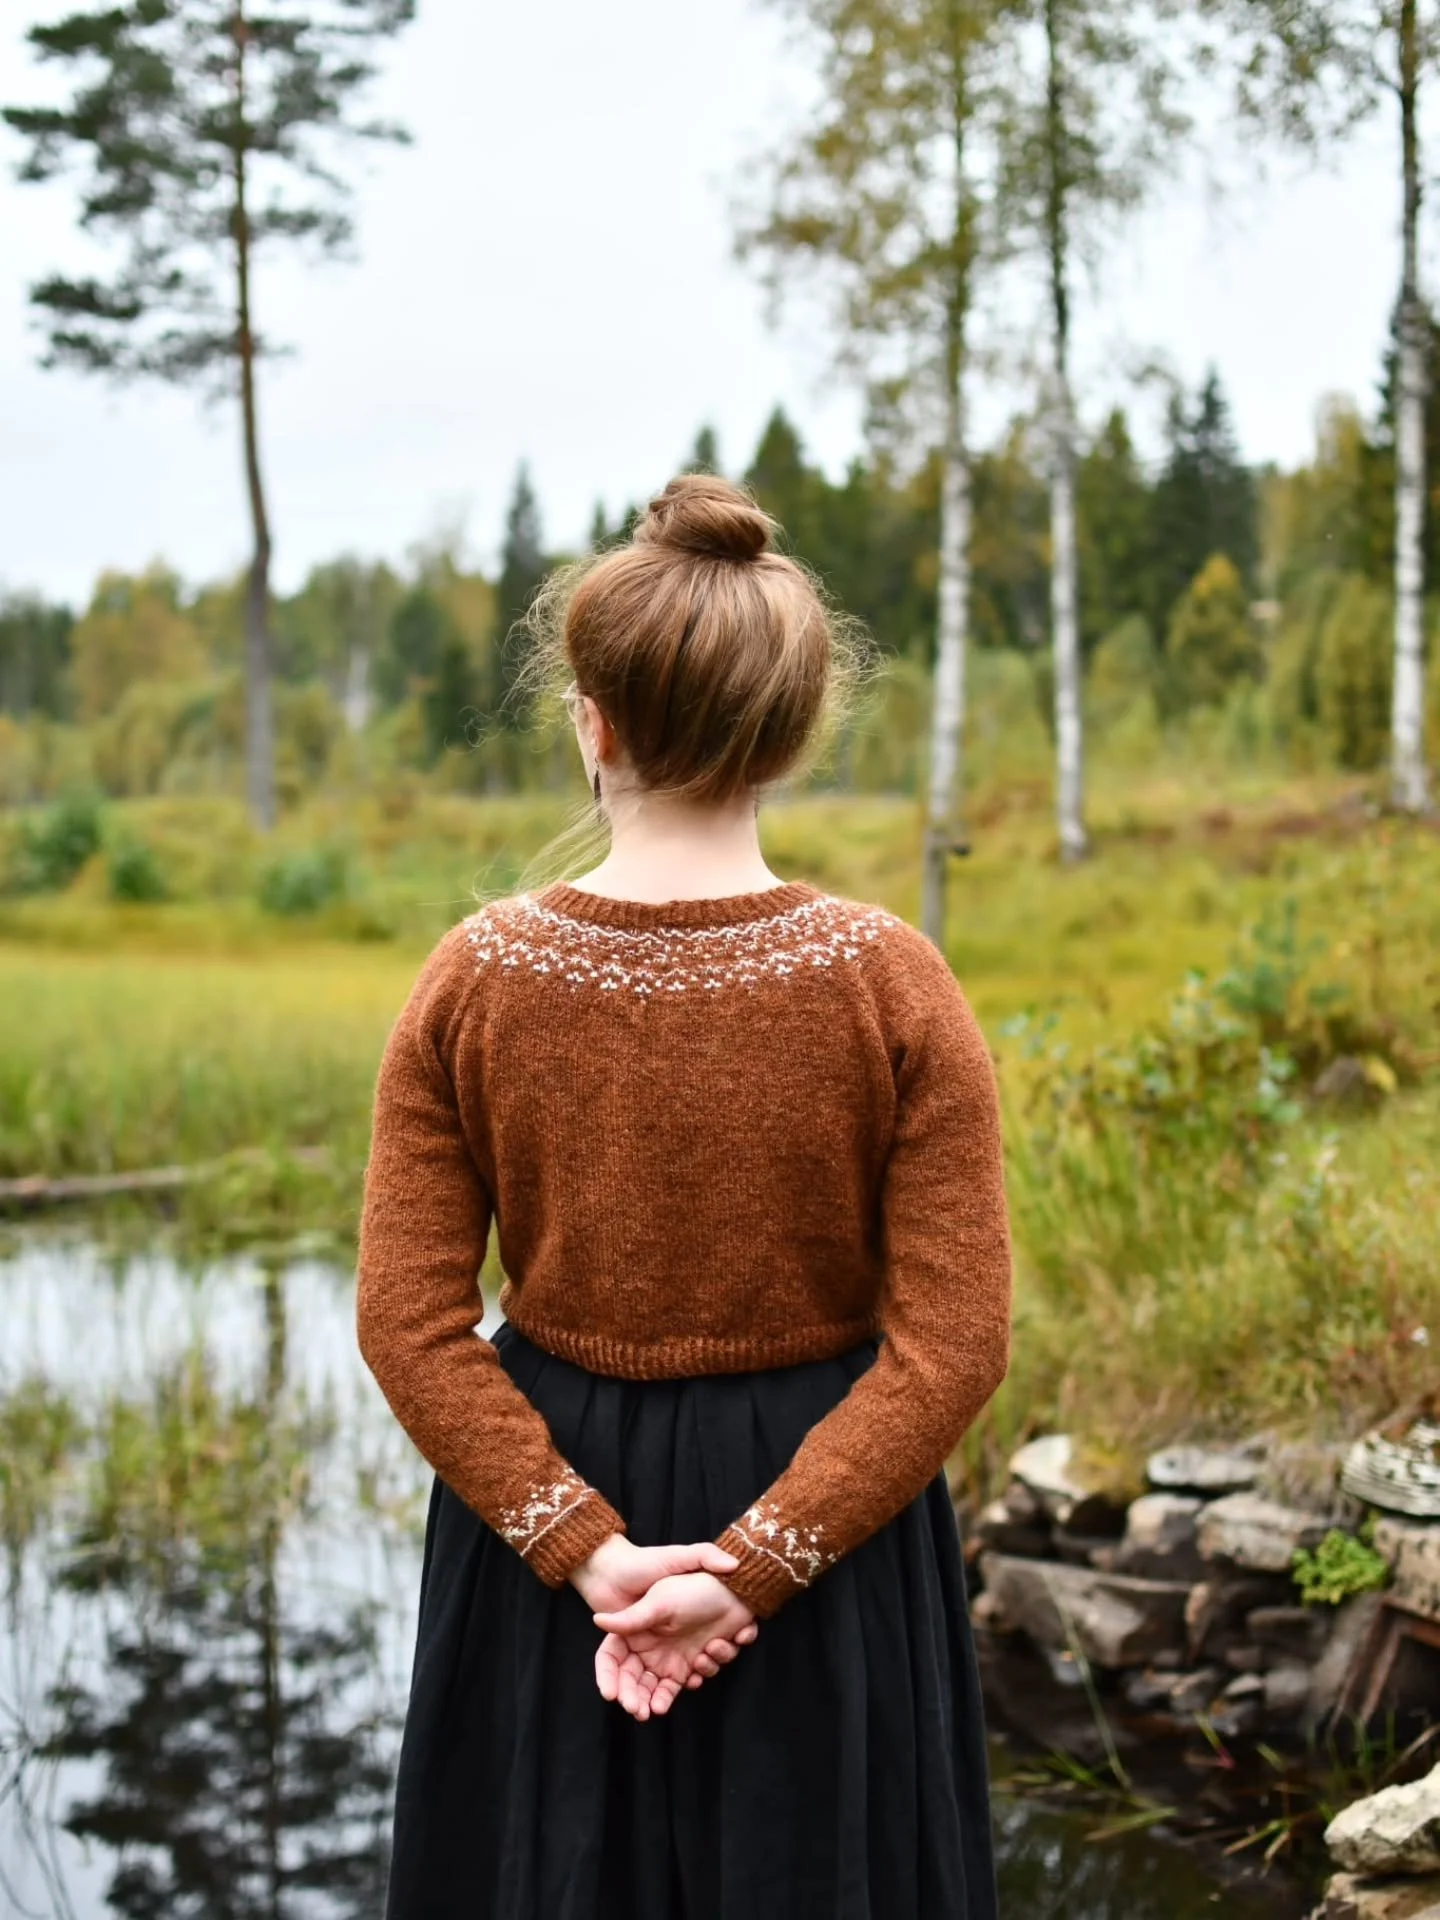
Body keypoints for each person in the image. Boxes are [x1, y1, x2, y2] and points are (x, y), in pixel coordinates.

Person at [357, 473, 1013, 1920]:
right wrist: (759, 1566)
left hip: (543, 1514)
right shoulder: (892, 980)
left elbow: (409, 1325)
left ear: (590, 725)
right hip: (829, 1520)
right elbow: (956, 1343)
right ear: (791, 733)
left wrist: (583, 1550)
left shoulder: (474, 976)